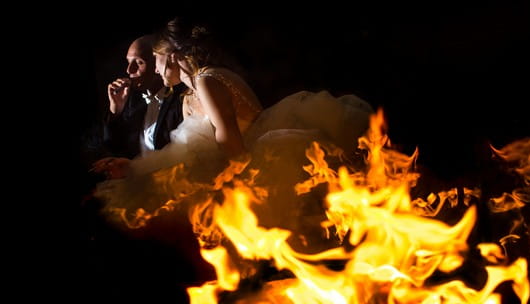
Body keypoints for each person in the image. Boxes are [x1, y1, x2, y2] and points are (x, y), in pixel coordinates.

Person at [95, 17, 374, 245]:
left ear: (173, 57)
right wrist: (135, 168)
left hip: (246, 166)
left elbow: (231, 147)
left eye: (155, 59)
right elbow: (187, 152)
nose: (156, 70)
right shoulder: (191, 90)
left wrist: (231, 193)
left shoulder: (207, 80)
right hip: (219, 169)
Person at [92, 34, 186, 179]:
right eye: (129, 62)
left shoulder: (180, 99)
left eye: (139, 62)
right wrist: (115, 110)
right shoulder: (132, 99)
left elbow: (184, 155)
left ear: (158, 63)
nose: (129, 70)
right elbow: (114, 147)